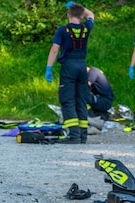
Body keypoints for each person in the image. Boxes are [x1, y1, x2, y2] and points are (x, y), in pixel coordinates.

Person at [46, 2, 94, 144]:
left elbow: (55, 50)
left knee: (67, 100)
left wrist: (49, 68)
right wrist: (80, 8)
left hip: (68, 66)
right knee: (81, 100)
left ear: (68, 15)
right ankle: (82, 136)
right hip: (82, 66)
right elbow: (91, 15)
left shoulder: (63, 30)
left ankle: (73, 136)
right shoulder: (86, 27)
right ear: (81, 16)